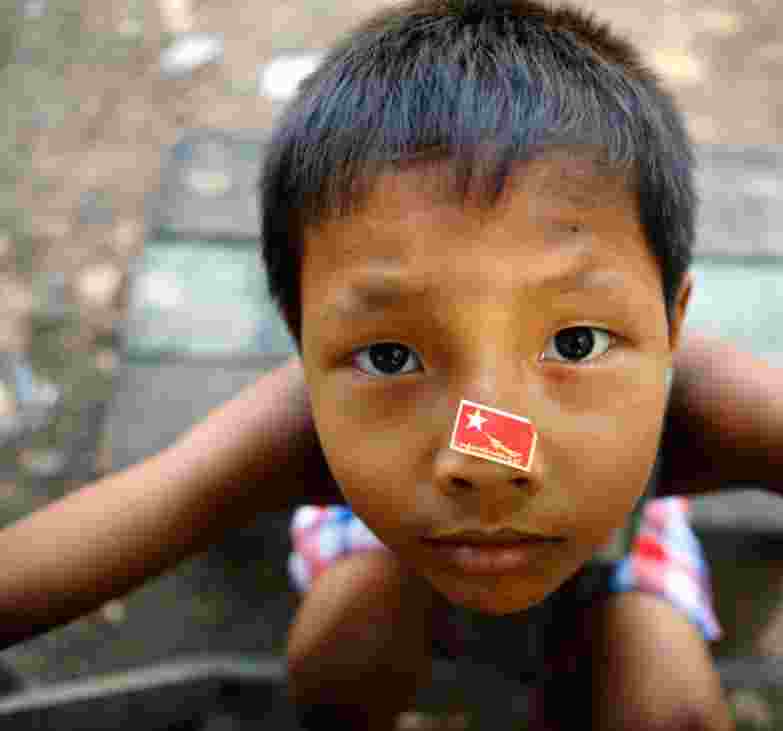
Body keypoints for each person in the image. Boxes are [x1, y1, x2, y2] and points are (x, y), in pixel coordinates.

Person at [3, 1, 734, 729]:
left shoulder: (710, 395)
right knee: (344, 642)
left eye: (574, 344)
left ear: (672, 323)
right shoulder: (293, 424)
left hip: (621, 541)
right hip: (387, 530)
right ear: (302, 339)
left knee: (668, 701)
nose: (484, 451)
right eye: (392, 356)